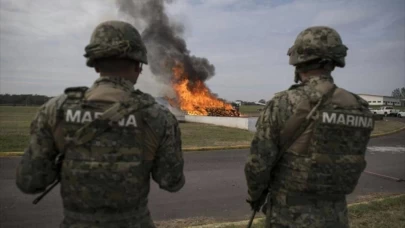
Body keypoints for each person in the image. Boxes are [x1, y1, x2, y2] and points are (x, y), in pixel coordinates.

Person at [16, 20, 185, 228]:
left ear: (95, 64)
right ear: (138, 66)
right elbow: (172, 181)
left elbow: (30, 182)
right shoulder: (158, 116)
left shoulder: (56, 110)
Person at [244, 26, 374, 228]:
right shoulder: (359, 106)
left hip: (289, 217)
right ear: (334, 61)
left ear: (298, 59)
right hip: (336, 216)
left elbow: (258, 165)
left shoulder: (284, 103)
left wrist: (255, 195)